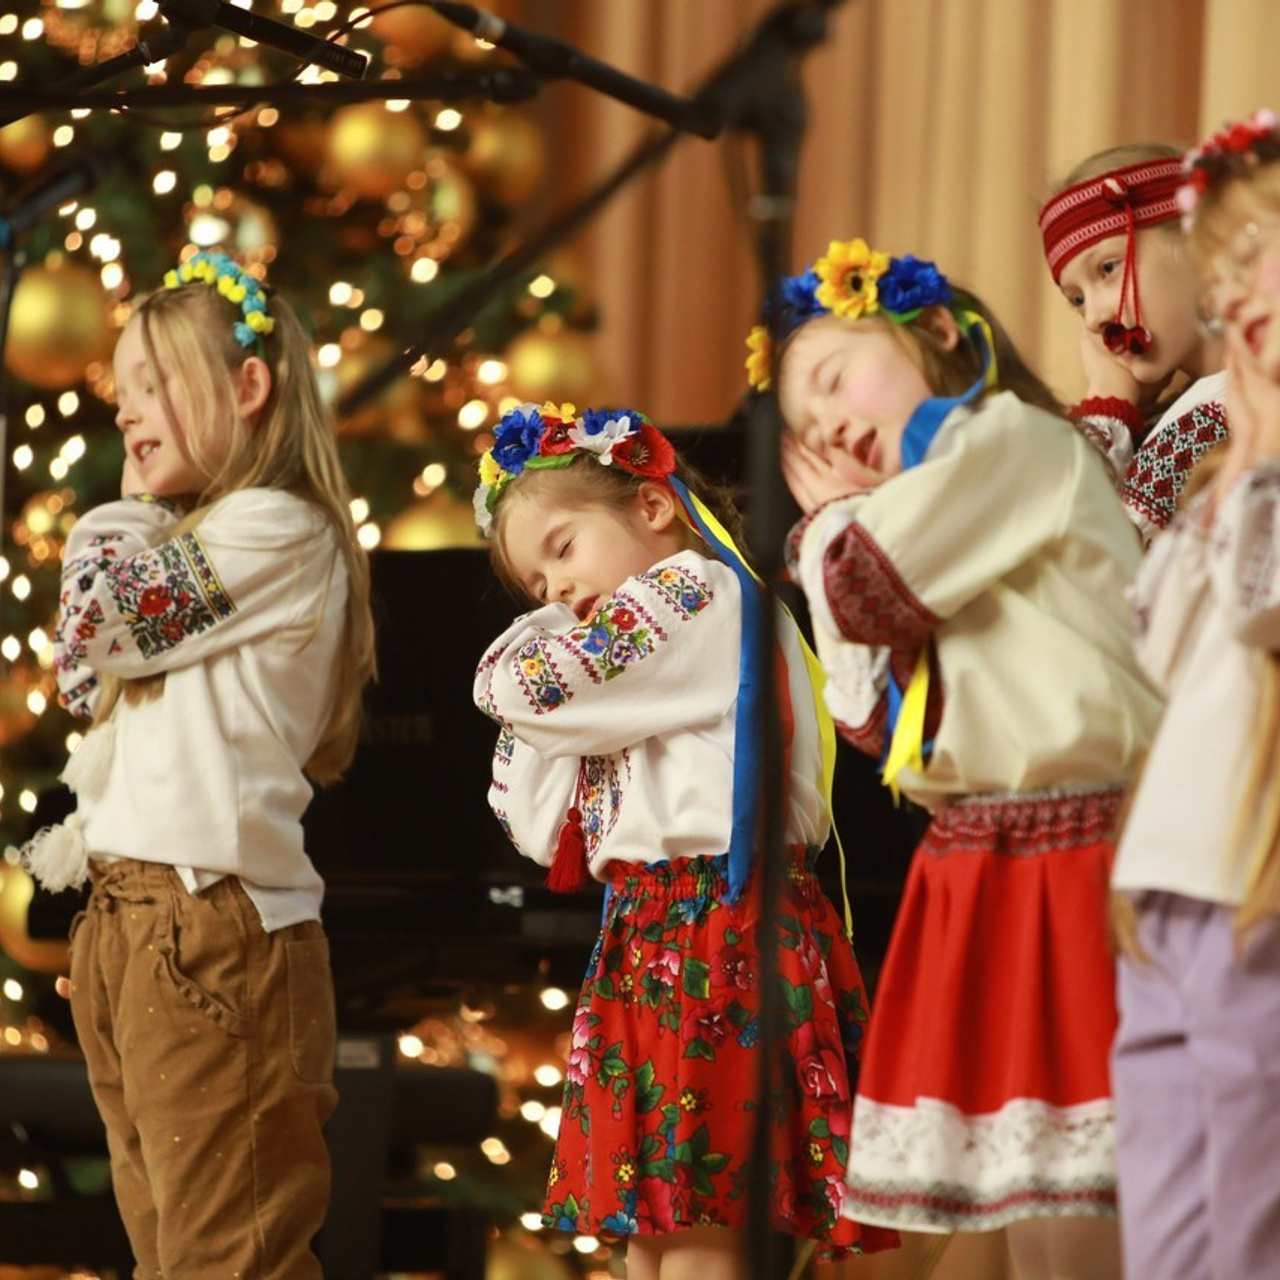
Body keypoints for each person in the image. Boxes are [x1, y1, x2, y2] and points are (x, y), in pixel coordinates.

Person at [750, 238, 1162, 1279]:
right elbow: (866, 720)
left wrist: (825, 522)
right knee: (1025, 1189)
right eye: (804, 425)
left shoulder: (1009, 440)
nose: (826, 429)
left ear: (936, 331)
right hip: (980, 855)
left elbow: (858, 590)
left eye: (833, 379)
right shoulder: (916, 516)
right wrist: (837, 528)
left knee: (1085, 1185)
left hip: (1082, 846)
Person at [470, 402, 898, 1277]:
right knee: (653, 1245)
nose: (557, 592)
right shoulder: (633, 662)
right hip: (650, 933)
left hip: (723, 930)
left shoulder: (699, 594)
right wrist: (559, 663)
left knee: (706, 1235)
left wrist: (550, 653)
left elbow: (520, 691)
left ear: (654, 506)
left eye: (563, 548)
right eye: (536, 587)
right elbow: (532, 818)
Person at [22, 249, 376, 1277]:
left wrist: (117, 515)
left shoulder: (277, 527)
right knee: (171, 1254)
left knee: (229, 1259)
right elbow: (81, 677)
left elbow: (103, 625)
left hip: (211, 925)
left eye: (152, 383)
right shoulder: (199, 538)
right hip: (131, 920)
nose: (124, 409)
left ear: (248, 386)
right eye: (121, 388)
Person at [1108, 108, 1280, 1280]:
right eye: (1220, 270)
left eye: (1256, 251)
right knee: (1167, 1245)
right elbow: (1154, 649)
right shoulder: (1237, 460)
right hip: (1169, 882)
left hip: (1252, 881)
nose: (1230, 292)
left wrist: (1258, 459)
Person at [1039, 144, 1229, 543]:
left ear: (1198, 239)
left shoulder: (1216, 417)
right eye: (1078, 299)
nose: (1094, 317)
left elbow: (1085, 557)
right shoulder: (1186, 414)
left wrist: (1106, 400)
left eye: (1108, 268)